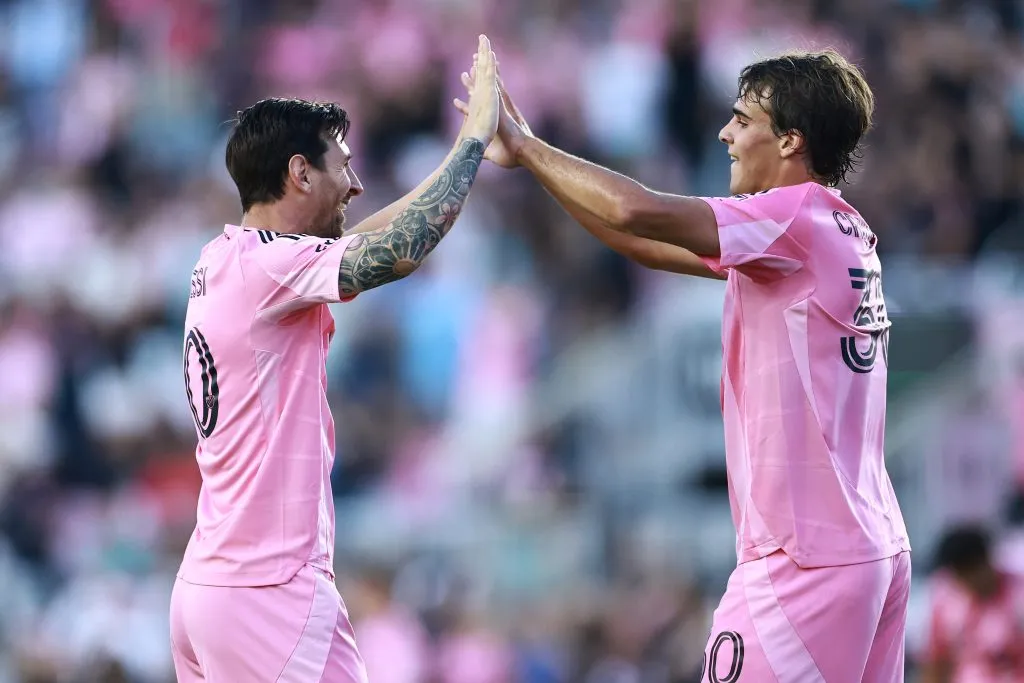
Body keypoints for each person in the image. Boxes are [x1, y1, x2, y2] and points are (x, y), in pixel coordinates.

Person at [456, 49, 912, 681]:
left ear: (790, 141)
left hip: (803, 559)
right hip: (869, 547)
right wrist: (538, 168)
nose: (725, 134)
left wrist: (528, 145)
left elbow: (634, 210)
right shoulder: (832, 228)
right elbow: (639, 242)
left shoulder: (793, 220)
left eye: (742, 120)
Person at [169, 35, 500, 683]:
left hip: (208, 588)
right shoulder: (269, 268)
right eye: (343, 165)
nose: (357, 183)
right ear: (299, 173)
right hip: (270, 590)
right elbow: (403, 247)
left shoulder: (226, 257)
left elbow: (376, 232)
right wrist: (474, 140)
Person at [920, 526, 1024, 683]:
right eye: (958, 574)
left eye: (969, 571)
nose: (965, 580)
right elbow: (936, 662)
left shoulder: (1017, 595)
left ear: (986, 560)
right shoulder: (947, 604)